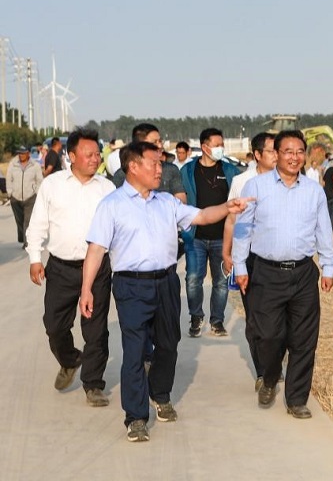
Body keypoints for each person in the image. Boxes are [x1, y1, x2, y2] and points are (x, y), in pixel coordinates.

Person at [79, 141, 250, 442]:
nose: (161, 170)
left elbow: (201, 216)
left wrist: (227, 208)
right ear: (133, 166)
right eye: (154, 163)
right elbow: (95, 250)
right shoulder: (112, 205)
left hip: (167, 282)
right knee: (134, 350)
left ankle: (160, 394)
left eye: (161, 163)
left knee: (169, 343)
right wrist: (86, 290)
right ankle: (135, 417)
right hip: (131, 285)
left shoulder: (166, 202)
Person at [232, 130, 333, 420]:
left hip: (303, 273)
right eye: (288, 151)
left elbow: (323, 230)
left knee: (304, 339)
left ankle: (296, 399)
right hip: (266, 272)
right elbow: (243, 228)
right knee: (267, 335)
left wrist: (328, 266)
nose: (294, 157)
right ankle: (269, 376)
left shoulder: (313, 191)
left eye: (300, 151)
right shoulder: (256, 186)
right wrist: (240, 266)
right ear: (276, 154)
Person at [25, 128, 115, 407]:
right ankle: (70, 359)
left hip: (97, 269)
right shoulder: (53, 185)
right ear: (72, 156)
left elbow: (118, 231)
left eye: (97, 154)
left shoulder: (107, 189)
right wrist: (35, 257)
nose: (95, 159)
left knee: (95, 329)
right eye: (89, 154)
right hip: (61, 268)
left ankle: (93, 384)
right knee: (54, 326)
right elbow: (38, 223)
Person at [222, 132, 278, 392]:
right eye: (272, 150)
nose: (277, 155)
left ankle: (274, 362)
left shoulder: (289, 180)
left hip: (279, 259)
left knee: (280, 319)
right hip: (250, 258)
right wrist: (227, 253)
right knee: (255, 317)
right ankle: (263, 371)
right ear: (257, 154)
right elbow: (231, 219)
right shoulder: (241, 181)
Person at [180, 128, 241, 338]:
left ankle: (217, 321)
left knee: (221, 282)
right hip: (195, 236)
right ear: (205, 147)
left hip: (222, 237)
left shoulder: (230, 171)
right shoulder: (188, 171)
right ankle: (196, 316)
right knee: (193, 279)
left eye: (222, 145)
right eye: (217, 145)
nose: (221, 148)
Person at [7, 145, 43, 247]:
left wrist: (36, 192)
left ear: (28, 153)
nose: (21, 155)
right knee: (19, 220)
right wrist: (10, 192)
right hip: (15, 197)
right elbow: (9, 179)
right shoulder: (13, 164)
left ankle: (27, 242)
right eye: (20, 153)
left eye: (23, 153)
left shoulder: (35, 165)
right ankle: (23, 237)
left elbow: (39, 180)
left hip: (30, 197)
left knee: (28, 220)